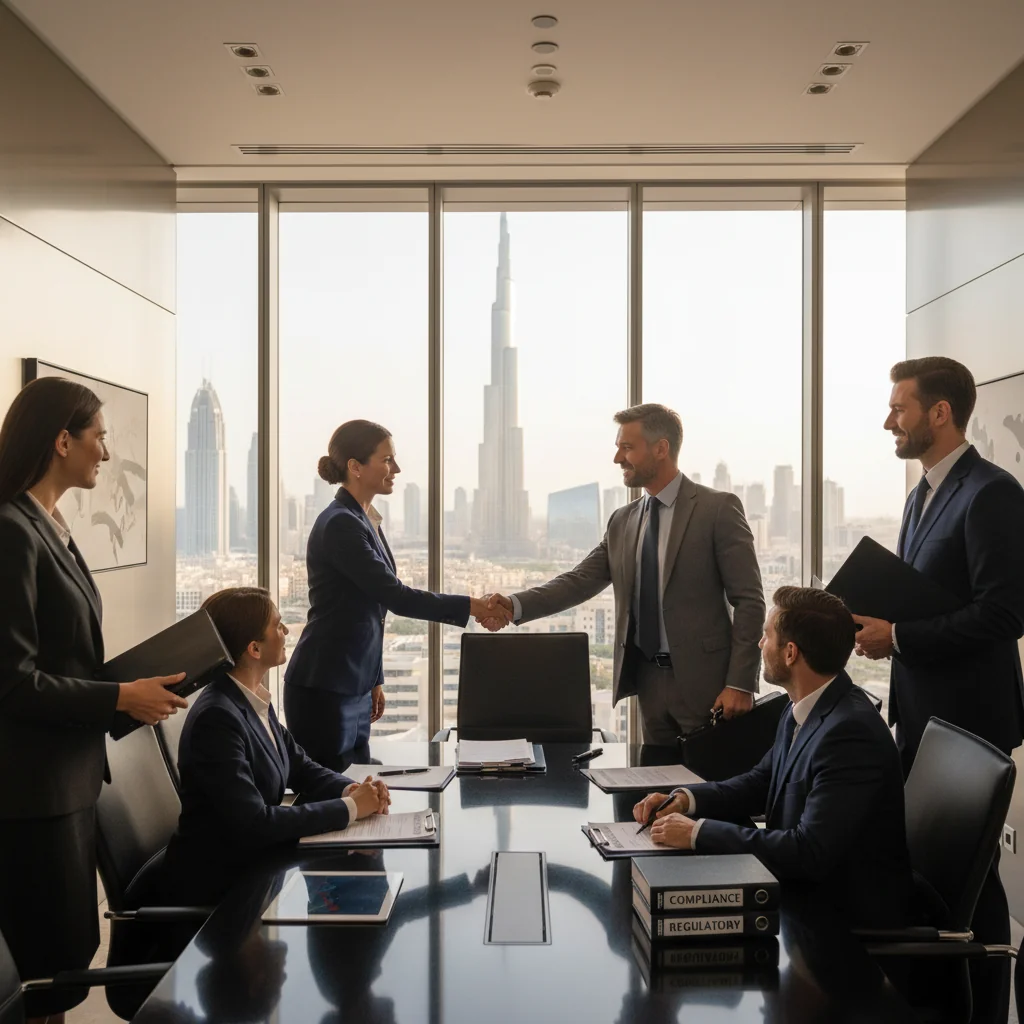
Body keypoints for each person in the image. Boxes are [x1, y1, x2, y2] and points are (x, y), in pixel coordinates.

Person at [0, 377, 187, 1023]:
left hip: (70, 784)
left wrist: (136, 688)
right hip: (35, 798)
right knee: (46, 981)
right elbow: (13, 682)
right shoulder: (13, 531)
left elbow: (65, 656)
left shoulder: (49, 523)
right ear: (61, 441)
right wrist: (117, 697)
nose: (106, 454)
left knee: (61, 969)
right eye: (99, 437)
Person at [852, 356, 1024, 1023]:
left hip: (971, 719)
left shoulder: (991, 493)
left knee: (974, 879)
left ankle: (988, 1014)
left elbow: (1006, 613)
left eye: (899, 407)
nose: (888, 420)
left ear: (940, 412)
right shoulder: (921, 494)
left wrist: (900, 637)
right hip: (922, 714)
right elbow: (925, 600)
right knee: (939, 875)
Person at [633, 586, 912, 929]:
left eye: (766, 636)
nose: (760, 645)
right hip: (803, 895)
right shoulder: (804, 705)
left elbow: (807, 853)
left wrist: (697, 833)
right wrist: (684, 800)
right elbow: (760, 782)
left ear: (791, 652)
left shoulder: (849, 735)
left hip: (840, 923)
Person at [483, 403, 764, 743]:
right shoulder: (623, 520)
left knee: (708, 791)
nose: (618, 458)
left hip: (709, 686)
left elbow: (749, 601)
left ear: (661, 449)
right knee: (653, 789)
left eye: (627, 447)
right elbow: (579, 581)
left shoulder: (717, 509)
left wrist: (740, 683)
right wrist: (513, 605)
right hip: (647, 684)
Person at [283, 420, 504, 770]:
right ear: (355, 467)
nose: (396, 469)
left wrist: (374, 679)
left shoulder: (362, 518)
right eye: (387, 460)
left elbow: (370, 610)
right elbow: (395, 597)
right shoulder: (342, 523)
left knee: (357, 789)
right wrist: (474, 606)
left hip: (351, 681)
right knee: (336, 794)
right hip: (326, 686)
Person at [163, 587, 390, 906]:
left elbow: (300, 767)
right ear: (254, 648)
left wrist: (351, 789)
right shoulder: (217, 718)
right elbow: (254, 823)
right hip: (223, 889)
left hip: (259, 869)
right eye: (277, 625)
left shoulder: (251, 699)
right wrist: (352, 809)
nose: (285, 631)